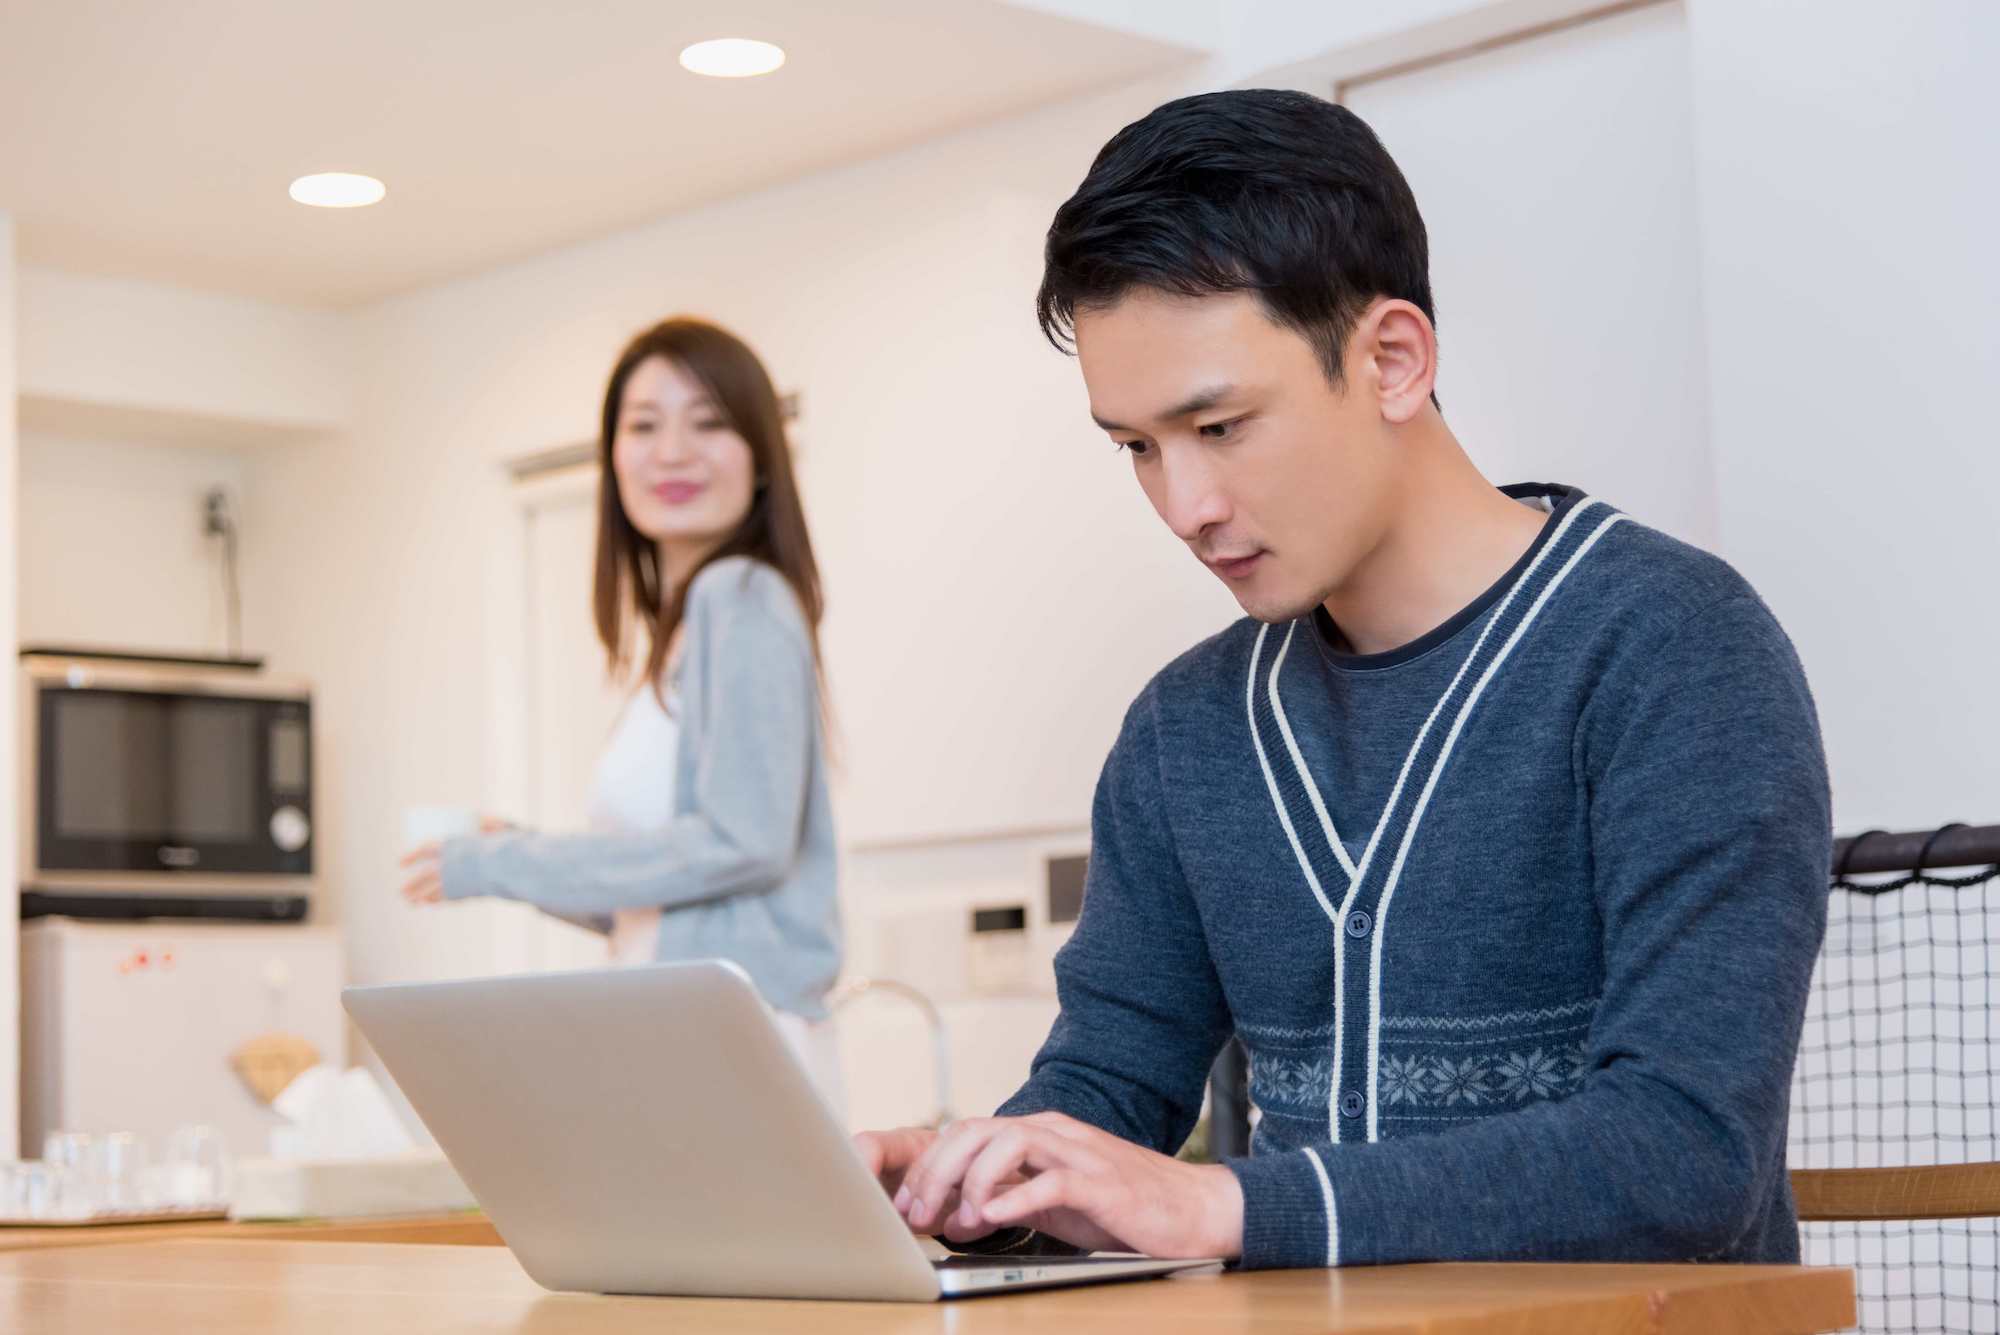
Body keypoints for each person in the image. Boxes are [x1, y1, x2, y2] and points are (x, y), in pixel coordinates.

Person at [856, 89, 1830, 1270]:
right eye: (1136, 448)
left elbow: (1683, 1153)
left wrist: (1222, 1207)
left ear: (1391, 361)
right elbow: (1108, 1083)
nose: (1183, 506)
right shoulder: (1182, 731)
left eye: (1220, 427)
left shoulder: (1671, 647)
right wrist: (980, 1177)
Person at [399, 316, 844, 1101]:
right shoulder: (683, 632)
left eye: (709, 422)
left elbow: (743, 843)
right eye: (644, 426)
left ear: (760, 455)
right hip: (682, 1024)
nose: (672, 451)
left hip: (731, 1040)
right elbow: (659, 903)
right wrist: (520, 854)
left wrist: (502, 862)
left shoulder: (739, 596)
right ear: (612, 455)